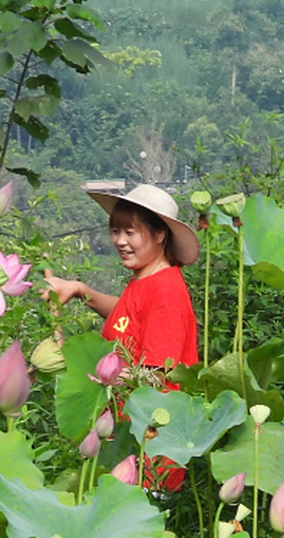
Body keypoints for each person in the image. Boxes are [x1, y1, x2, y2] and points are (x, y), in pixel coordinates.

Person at [42, 182, 200, 490]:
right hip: (124, 434)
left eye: (131, 232)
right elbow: (128, 316)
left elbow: (155, 378)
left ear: (159, 234)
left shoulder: (166, 291)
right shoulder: (145, 281)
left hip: (150, 443)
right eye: (115, 231)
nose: (120, 241)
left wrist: (96, 376)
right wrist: (80, 290)